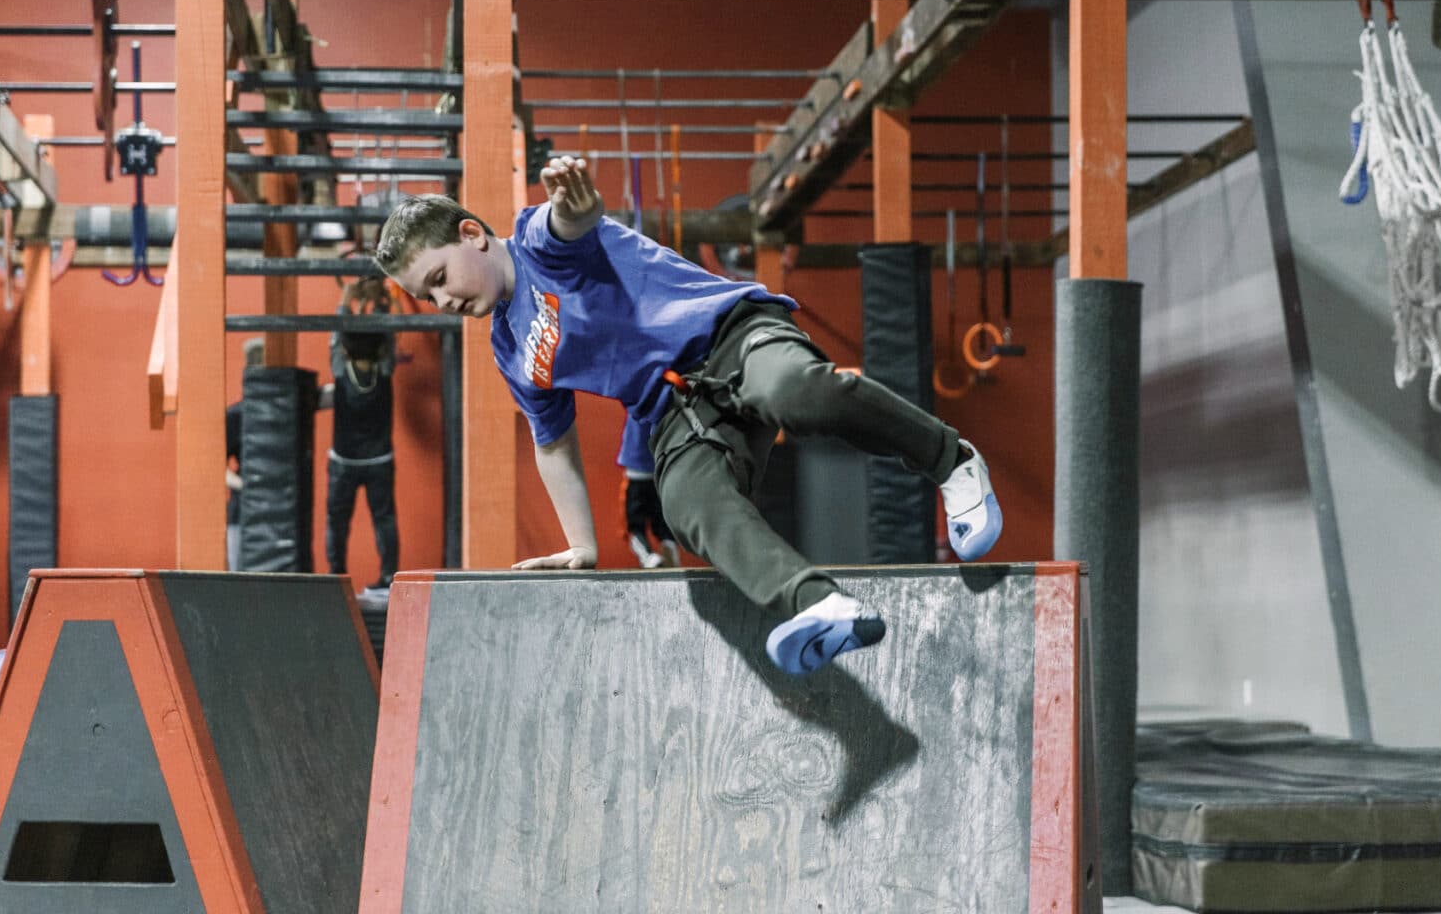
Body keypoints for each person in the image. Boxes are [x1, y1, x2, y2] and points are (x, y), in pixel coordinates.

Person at [373, 156, 1001, 675]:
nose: (441, 299)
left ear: (471, 236)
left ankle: (953, 460)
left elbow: (575, 222)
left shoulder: (537, 239)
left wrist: (576, 202)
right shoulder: (509, 352)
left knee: (796, 393)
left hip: (730, 336)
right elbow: (553, 443)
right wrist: (581, 545)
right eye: (425, 296)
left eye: (439, 277)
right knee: (689, 508)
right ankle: (820, 606)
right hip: (674, 414)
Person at [319, 278, 400, 592]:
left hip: (345, 460)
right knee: (384, 519)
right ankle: (388, 575)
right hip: (379, 459)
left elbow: (334, 338)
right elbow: (391, 335)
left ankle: (336, 574)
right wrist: (386, 301)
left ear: (346, 349)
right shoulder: (385, 370)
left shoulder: (341, 371)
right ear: (379, 347)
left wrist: (346, 298)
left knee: (337, 520)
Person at [618, 414, 681, 569]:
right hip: (661, 469)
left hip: (639, 468)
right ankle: (666, 547)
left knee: (634, 527)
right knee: (663, 522)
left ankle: (649, 556)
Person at [225, 336, 265, 571]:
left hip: (276, 515)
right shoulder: (236, 415)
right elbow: (217, 467)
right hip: (242, 510)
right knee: (237, 575)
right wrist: (246, 486)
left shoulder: (284, 413)